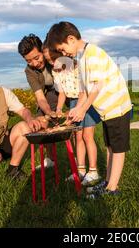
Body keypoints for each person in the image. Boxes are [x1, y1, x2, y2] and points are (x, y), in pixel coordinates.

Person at [47, 21, 132, 199]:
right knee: (109, 146)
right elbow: (85, 90)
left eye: (62, 49)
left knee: (118, 149)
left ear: (71, 39)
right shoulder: (82, 57)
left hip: (117, 107)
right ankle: (108, 181)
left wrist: (83, 108)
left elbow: (97, 85)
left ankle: (112, 189)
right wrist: (77, 109)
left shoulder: (92, 53)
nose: (63, 54)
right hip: (108, 110)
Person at [43, 40, 101, 186]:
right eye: (48, 61)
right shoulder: (55, 72)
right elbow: (62, 93)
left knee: (88, 136)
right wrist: (58, 109)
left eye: (53, 58)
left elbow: (84, 90)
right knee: (78, 136)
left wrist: (80, 108)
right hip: (74, 103)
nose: (52, 63)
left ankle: (93, 171)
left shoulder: (76, 66)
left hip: (85, 100)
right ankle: (80, 170)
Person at [18, 34, 58, 169]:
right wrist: (48, 112)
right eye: (29, 61)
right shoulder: (29, 71)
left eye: (37, 57)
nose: (35, 63)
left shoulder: (55, 58)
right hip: (50, 92)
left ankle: (77, 157)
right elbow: (40, 97)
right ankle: (51, 158)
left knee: (73, 121)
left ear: (43, 50)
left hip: (67, 89)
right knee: (42, 120)